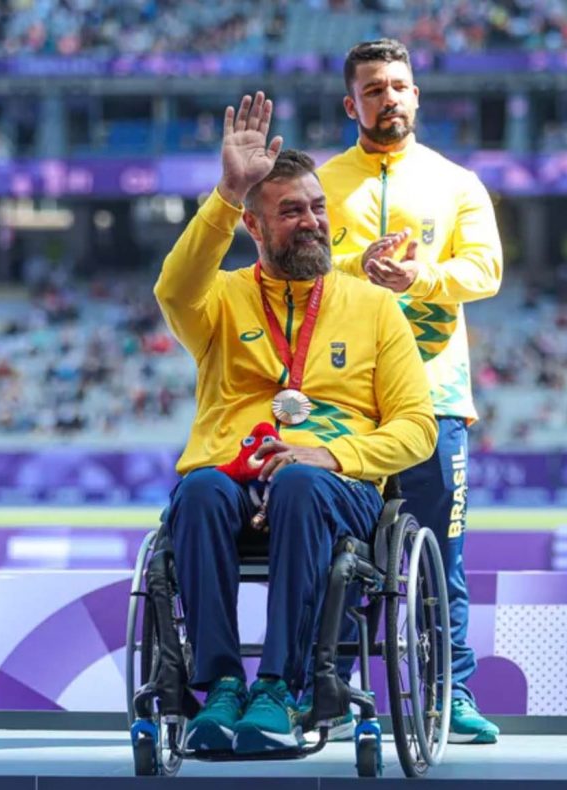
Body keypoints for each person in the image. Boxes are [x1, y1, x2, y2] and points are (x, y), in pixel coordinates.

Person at [153, 92, 436, 756]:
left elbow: (417, 427)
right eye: (291, 212)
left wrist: (327, 457)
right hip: (232, 473)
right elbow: (172, 288)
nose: (312, 221)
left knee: (301, 488)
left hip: (332, 485)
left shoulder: (374, 308)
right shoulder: (220, 298)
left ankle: (281, 685)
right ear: (254, 226)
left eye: (317, 207)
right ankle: (221, 686)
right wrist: (225, 191)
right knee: (195, 493)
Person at [317, 39, 504, 744]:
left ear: (417, 95)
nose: (388, 97)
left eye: (399, 85)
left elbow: (485, 271)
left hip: (436, 399)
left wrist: (420, 277)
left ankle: (450, 693)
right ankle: (329, 688)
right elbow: (288, 263)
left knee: (441, 556)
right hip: (342, 405)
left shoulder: (457, 183)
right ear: (351, 104)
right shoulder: (323, 182)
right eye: (373, 89)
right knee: (336, 551)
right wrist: (354, 264)